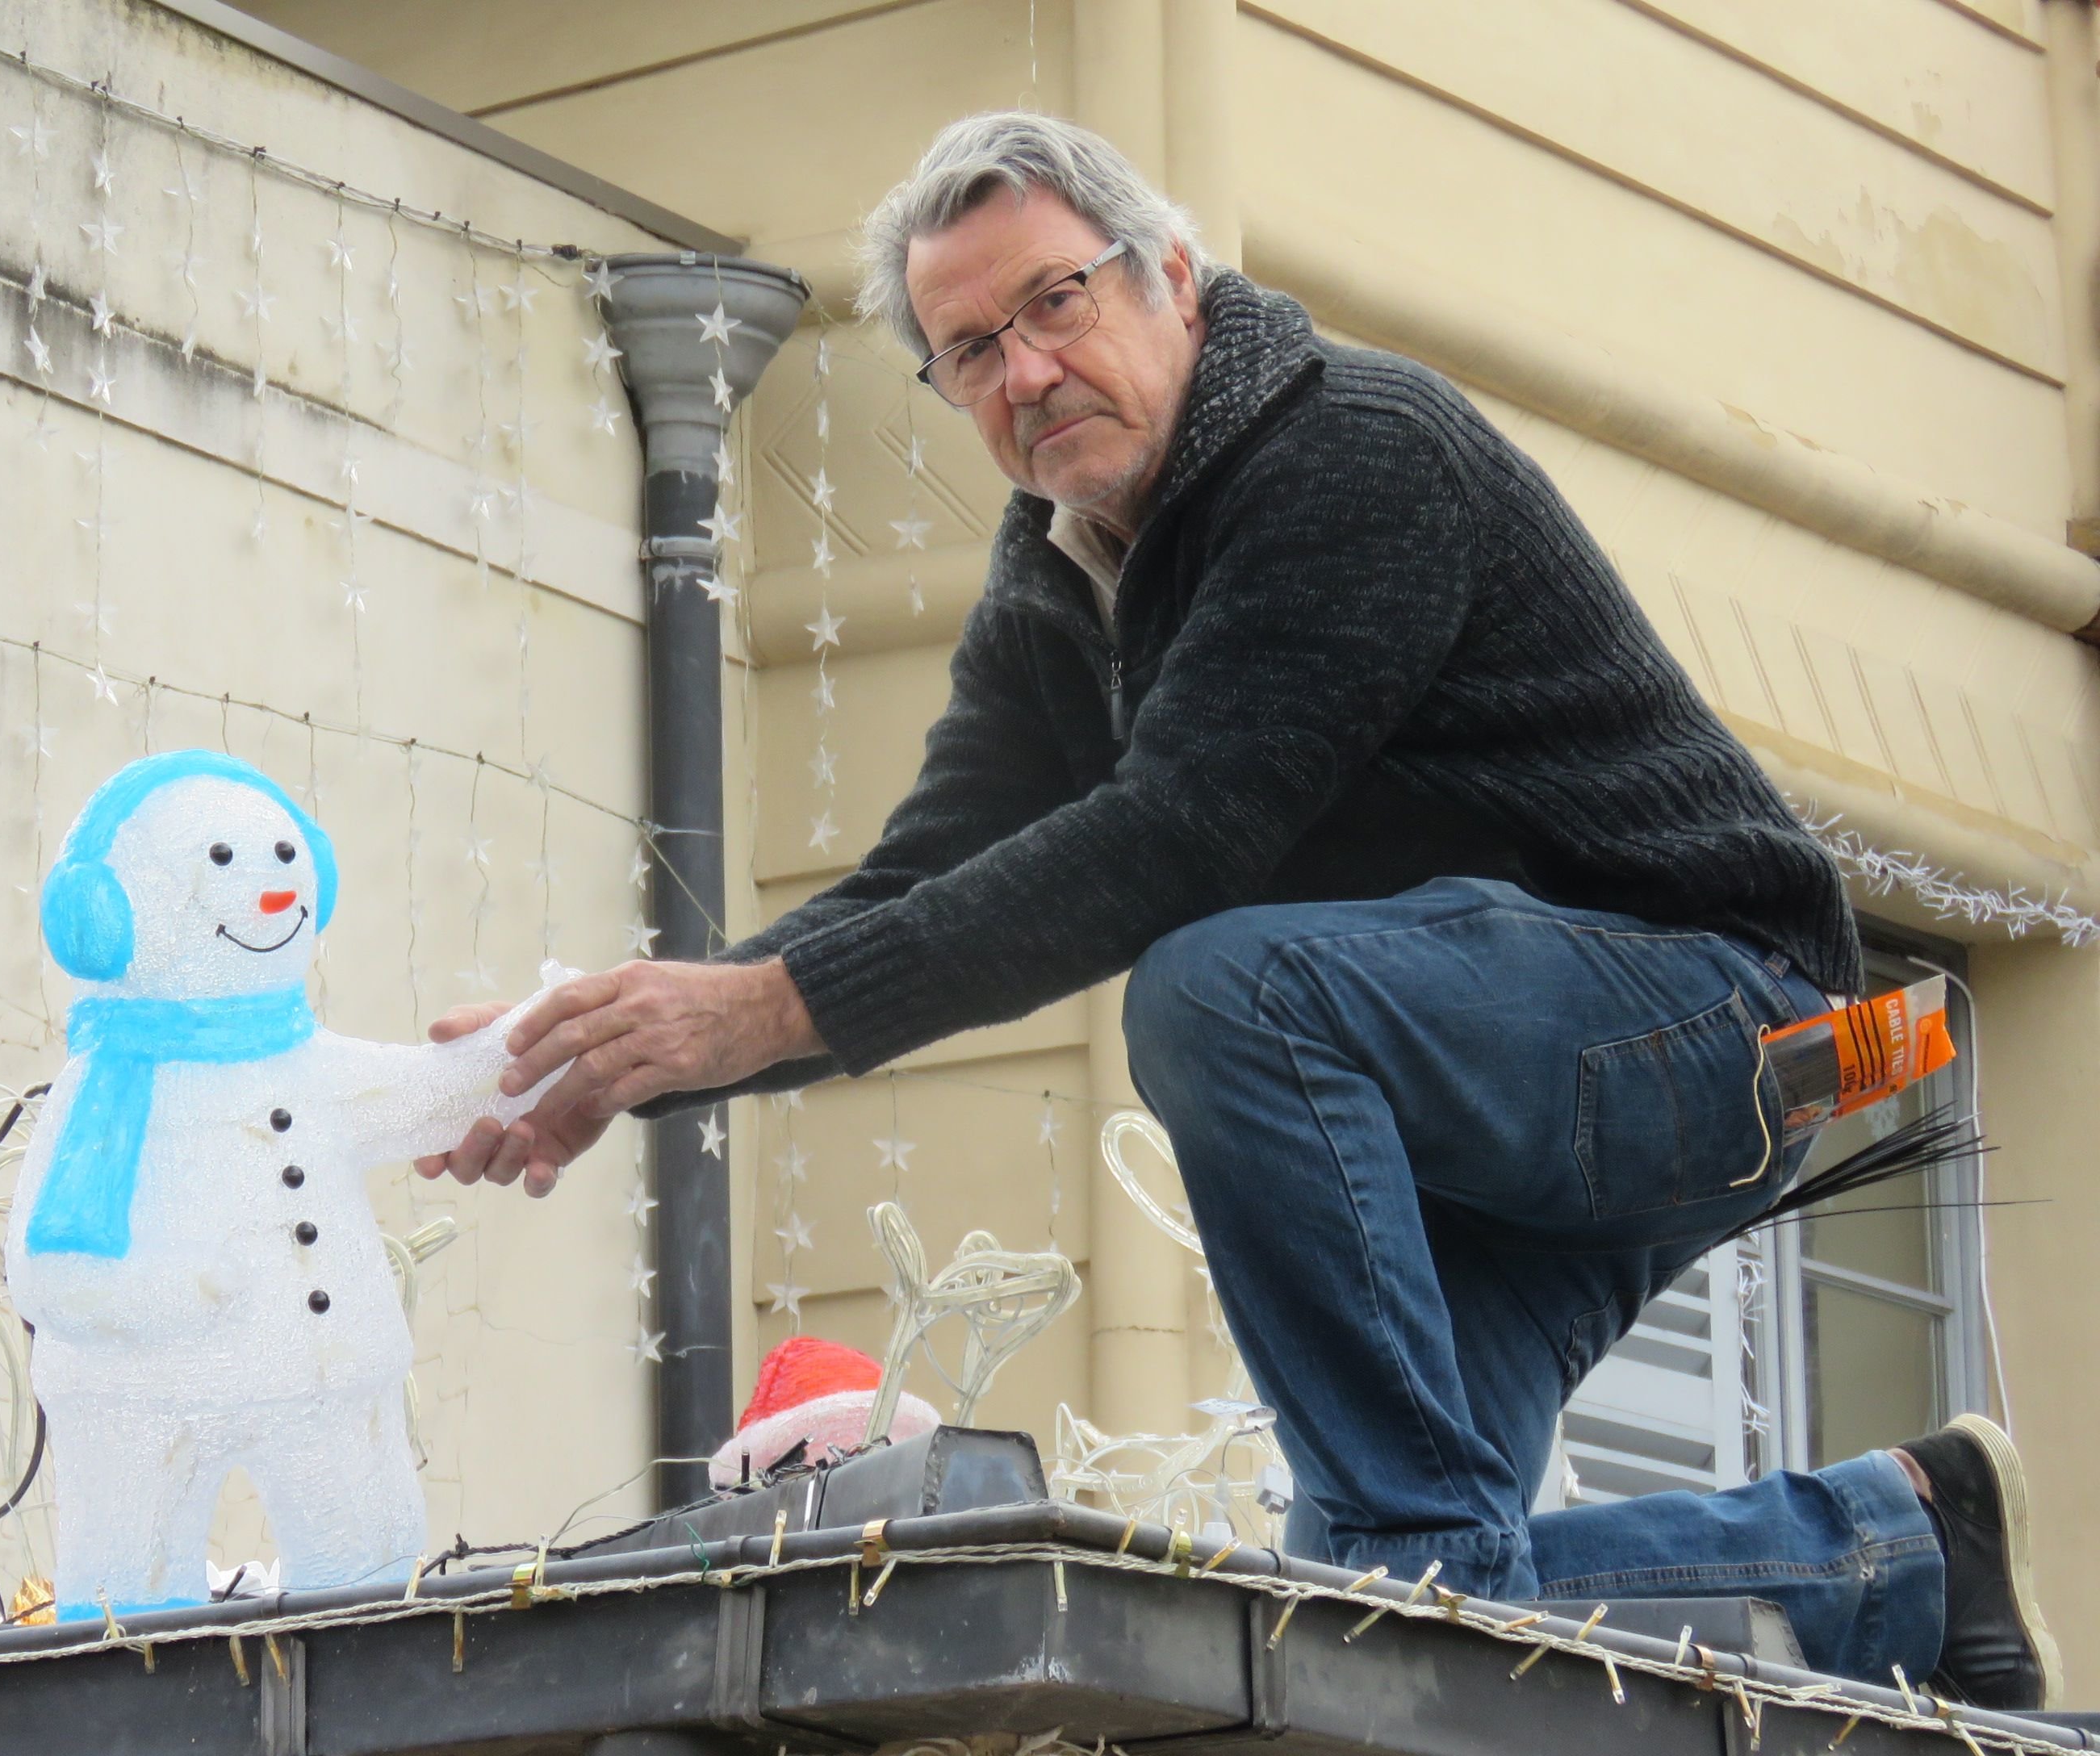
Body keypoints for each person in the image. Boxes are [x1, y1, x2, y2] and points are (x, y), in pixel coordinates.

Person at [416, 112, 2058, 1706]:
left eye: (1055, 301)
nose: (1025, 371)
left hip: (1745, 1019)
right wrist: (637, 1045)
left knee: (1222, 988)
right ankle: (1890, 1548)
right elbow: (920, 882)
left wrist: (751, 1012)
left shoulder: (1353, 453)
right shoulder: (1065, 573)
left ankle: (1457, 1569)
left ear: (1174, 277)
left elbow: (1179, 834)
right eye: (968, 349)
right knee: (1371, 1628)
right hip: (1493, 1119)